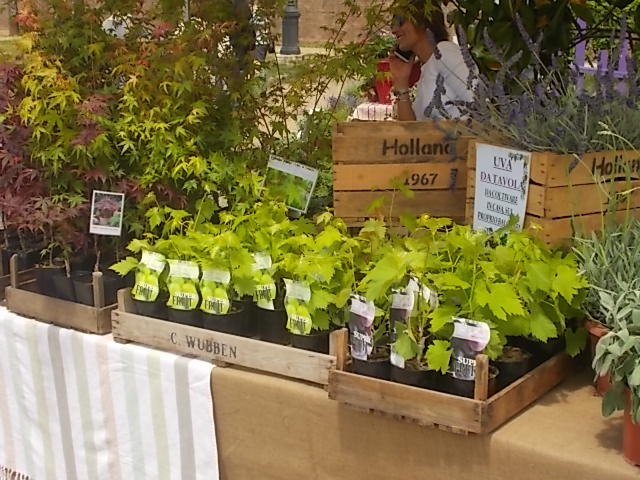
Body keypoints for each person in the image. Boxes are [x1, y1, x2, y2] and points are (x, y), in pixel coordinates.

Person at [388, 2, 474, 120]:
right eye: (392, 24)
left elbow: (481, 105)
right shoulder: (426, 70)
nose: (394, 30)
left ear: (422, 21)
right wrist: (401, 81)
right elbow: (411, 129)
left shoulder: (445, 52)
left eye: (400, 21)